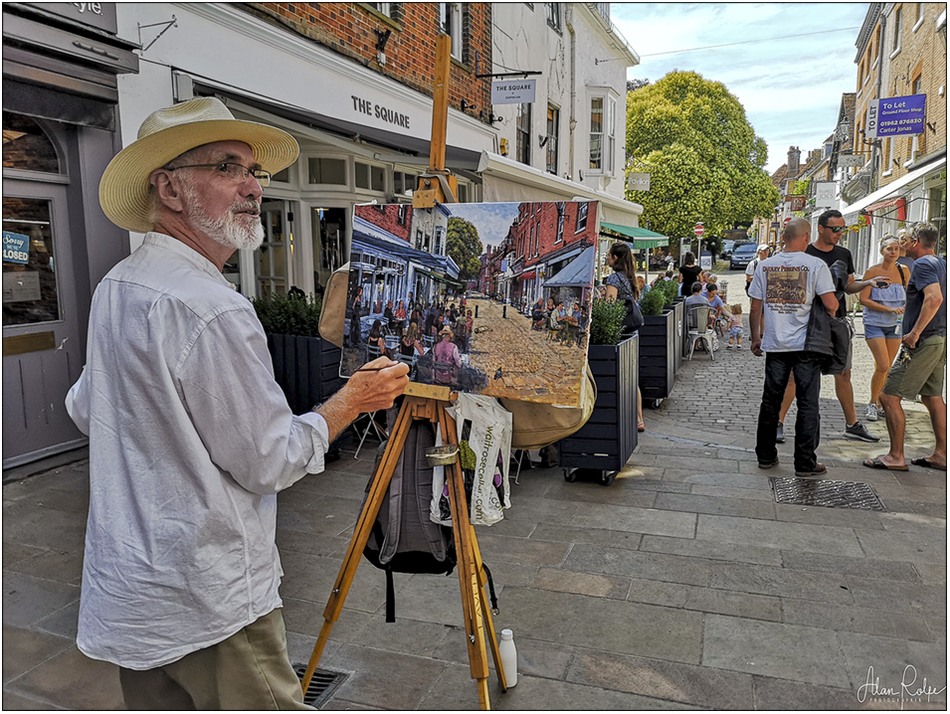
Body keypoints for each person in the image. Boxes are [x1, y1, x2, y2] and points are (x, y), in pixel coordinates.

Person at [63, 97, 410, 709]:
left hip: (136, 592)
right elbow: (269, 460)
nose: (253, 187)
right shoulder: (213, 306)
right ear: (169, 190)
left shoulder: (118, 285)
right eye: (228, 168)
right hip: (208, 597)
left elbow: (87, 409)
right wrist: (352, 401)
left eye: (255, 172)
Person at [749, 218, 838, 477]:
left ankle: (765, 456)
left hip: (776, 344)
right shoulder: (815, 265)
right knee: (808, 403)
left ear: (784, 237)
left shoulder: (765, 266)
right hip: (807, 345)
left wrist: (756, 338)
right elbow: (831, 305)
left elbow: (755, 307)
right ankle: (805, 463)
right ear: (806, 236)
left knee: (770, 402)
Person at [802, 209, 892, 443]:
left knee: (843, 372)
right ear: (821, 229)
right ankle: (779, 423)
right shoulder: (806, 253)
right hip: (809, 321)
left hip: (838, 320)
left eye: (843, 228)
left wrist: (868, 282)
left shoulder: (844, 253)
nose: (840, 233)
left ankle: (852, 424)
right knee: (799, 374)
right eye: (835, 229)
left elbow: (849, 286)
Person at [864, 223, 946, 472]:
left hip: (923, 340)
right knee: (932, 397)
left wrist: (914, 333)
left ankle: (895, 456)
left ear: (916, 242)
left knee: (888, 396)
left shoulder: (921, 265)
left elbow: (935, 298)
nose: (901, 245)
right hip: (939, 338)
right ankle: (942, 454)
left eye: (905, 239)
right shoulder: (941, 262)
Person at [858, 237, 909, 422]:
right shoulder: (872, 271)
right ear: (882, 251)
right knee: (883, 365)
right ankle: (872, 403)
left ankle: (881, 403)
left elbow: (909, 296)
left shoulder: (904, 271)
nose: (893, 252)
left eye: (897, 248)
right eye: (889, 248)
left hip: (895, 325)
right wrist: (889, 308)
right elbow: (863, 299)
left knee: (886, 367)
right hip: (874, 323)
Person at [603, 242, 644, 431]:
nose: (607, 257)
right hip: (633, 332)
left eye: (609, 255)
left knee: (617, 376)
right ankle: (638, 419)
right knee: (632, 377)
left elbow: (609, 308)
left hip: (619, 333)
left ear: (615, 258)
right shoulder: (630, 278)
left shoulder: (614, 279)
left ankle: (618, 419)